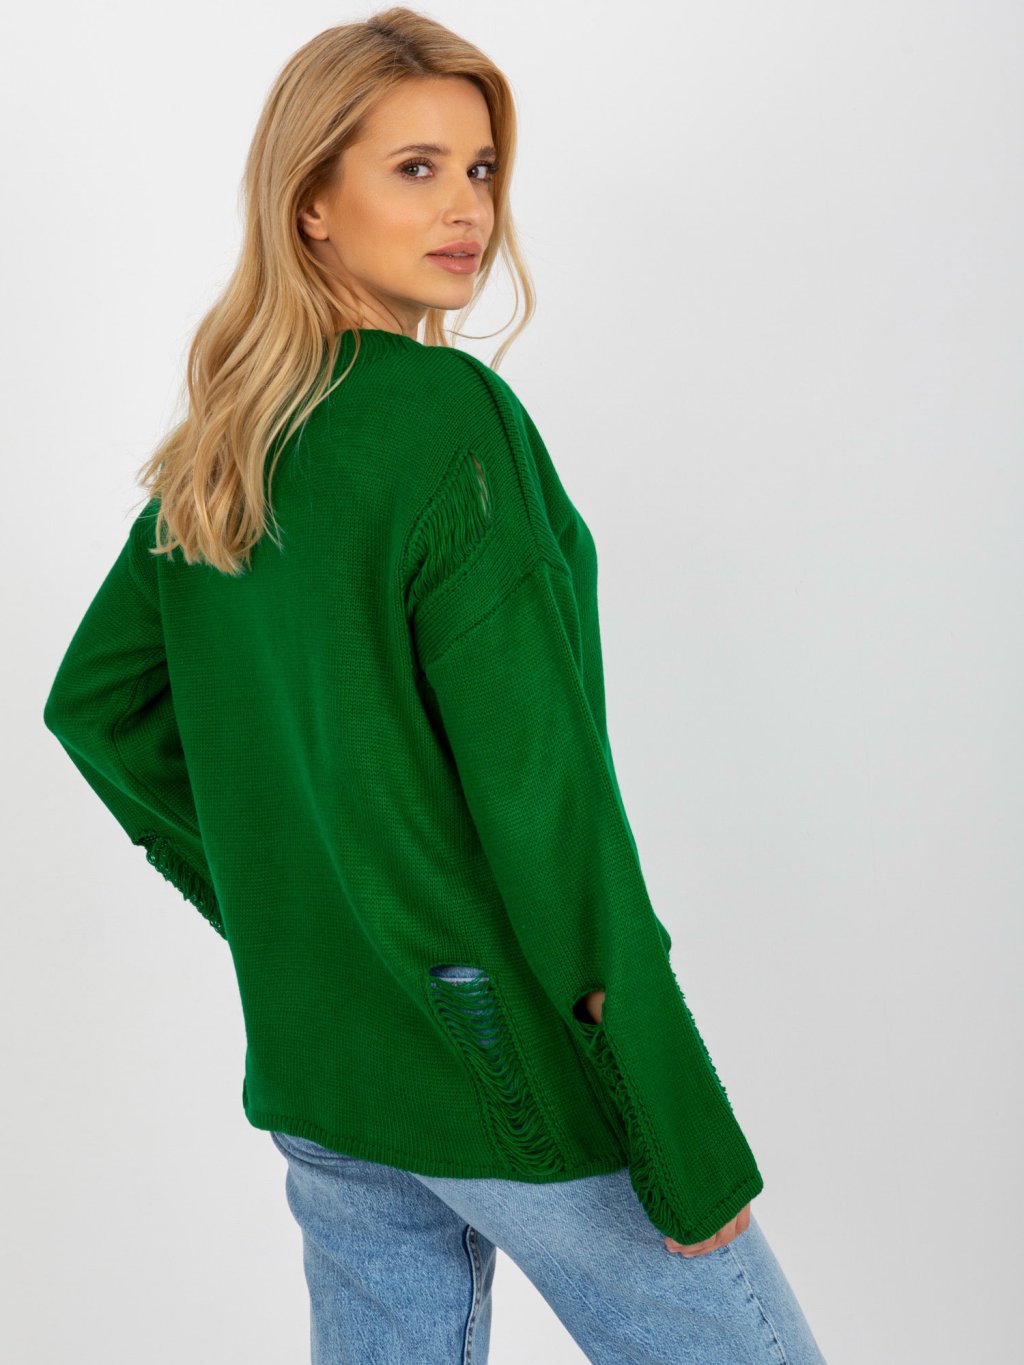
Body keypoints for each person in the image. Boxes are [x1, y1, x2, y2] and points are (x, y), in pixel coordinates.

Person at [42, 9, 828, 1362]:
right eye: (415, 169)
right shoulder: (449, 418)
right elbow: (546, 797)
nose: (467, 207)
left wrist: (303, 914)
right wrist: (678, 1128)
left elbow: (101, 710)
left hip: (327, 1067)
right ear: (311, 202)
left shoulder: (228, 444)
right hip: (500, 1061)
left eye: (480, 169)